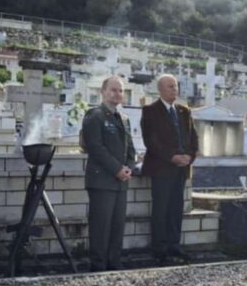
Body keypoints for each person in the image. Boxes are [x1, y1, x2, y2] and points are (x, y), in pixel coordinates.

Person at [141, 74, 198, 264]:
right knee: (161, 209)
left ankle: (174, 245)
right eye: (170, 86)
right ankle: (160, 248)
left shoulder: (184, 111)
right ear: (160, 89)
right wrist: (172, 156)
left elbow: (193, 137)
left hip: (181, 169)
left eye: (175, 86)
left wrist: (189, 157)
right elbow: (151, 141)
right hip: (162, 168)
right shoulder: (151, 111)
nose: (174, 90)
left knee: (176, 208)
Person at [83, 77, 136, 271]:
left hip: (120, 182)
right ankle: (98, 266)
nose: (117, 94)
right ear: (103, 92)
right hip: (102, 181)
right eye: (113, 90)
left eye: (120, 91)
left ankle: (114, 264)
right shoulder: (94, 116)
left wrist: (128, 167)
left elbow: (130, 149)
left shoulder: (124, 119)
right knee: (101, 226)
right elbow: (96, 148)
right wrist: (117, 169)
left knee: (117, 226)